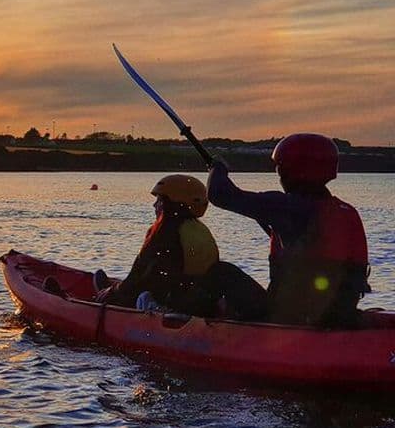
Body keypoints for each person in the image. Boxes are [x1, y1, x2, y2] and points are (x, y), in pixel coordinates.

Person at [208, 133, 370, 328]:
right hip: (340, 315)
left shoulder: (286, 206)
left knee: (221, 272)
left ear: (291, 171)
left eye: (280, 169)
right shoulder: (346, 211)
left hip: (292, 317)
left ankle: (194, 322)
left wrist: (218, 168)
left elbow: (220, 194)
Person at [95, 175, 267, 320]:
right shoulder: (200, 230)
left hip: (179, 304)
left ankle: (135, 304)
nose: (155, 205)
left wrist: (114, 292)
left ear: (173, 203)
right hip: (203, 302)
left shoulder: (165, 233)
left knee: (142, 295)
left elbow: (140, 275)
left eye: (159, 200)